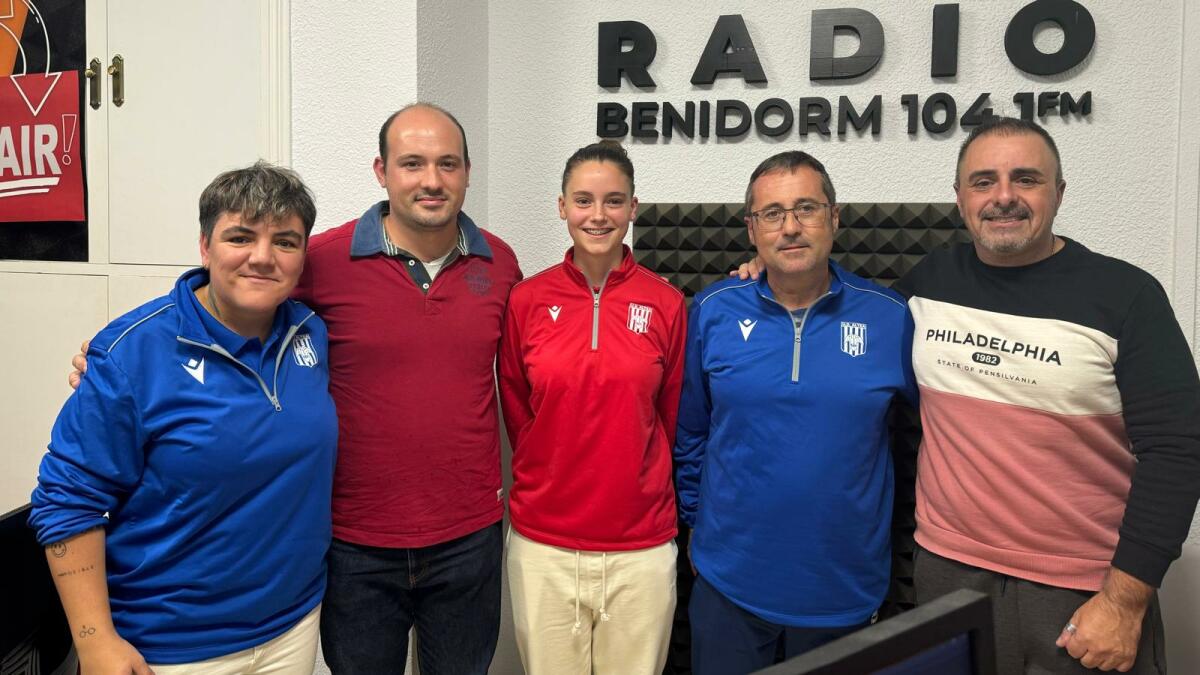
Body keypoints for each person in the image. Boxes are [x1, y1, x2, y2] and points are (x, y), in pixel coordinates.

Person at [69, 104, 523, 674]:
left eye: (447, 164)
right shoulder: (322, 260)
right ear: (382, 171)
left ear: (467, 172)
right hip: (353, 542)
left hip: (468, 536)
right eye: (412, 163)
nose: (431, 180)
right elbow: (231, 291)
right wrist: (121, 356)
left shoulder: (500, 264)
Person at [891, 117, 1200, 674]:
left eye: (1026, 179)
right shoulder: (930, 282)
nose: (1003, 197)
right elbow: (844, 316)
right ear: (959, 197)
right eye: (983, 181)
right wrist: (769, 276)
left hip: (1082, 592)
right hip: (947, 575)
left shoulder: (1126, 296)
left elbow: (1179, 451)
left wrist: (1124, 602)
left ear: (1058, 193)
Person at [31, 162, 336, 674]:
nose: (262, 257)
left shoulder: (310, 332)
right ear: (205, 246)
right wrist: (95, 641)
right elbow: (67, 502)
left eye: (285, 241)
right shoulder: (132, 354)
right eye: (240, 237)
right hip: (170, 646)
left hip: (293, 626)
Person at [675, 150, 918, 675]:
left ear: (834, 218)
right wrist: (694, 520)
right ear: (752, 229)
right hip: (728, 585)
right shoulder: (712, 311)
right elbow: (690, 430)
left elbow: (945, 435)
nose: (790, 227)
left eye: (806, 209)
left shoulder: (891, 318)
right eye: (773, 213)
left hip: (843, 590)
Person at [497, 141, 685, 674]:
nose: (597, 216)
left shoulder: (667, 303)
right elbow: (517, 408)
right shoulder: (526, 301)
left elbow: (669, 418)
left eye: (613, 201)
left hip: (641, 547)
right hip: (544, 546)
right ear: (561, 207)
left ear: (633, 208)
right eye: (583, 200)